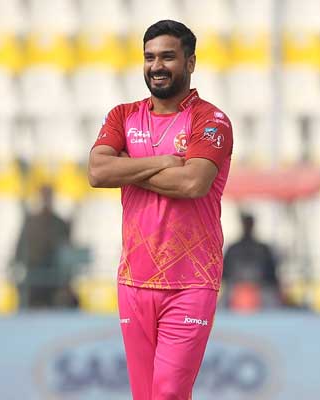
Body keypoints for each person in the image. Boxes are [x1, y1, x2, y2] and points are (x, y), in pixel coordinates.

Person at [87, 20, 233, 400]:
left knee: (168, 393)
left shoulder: (210, 120)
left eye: (168, 56)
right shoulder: (123, 115)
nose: (157, 66)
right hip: (134, 280)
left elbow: (192, 183)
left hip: (191, 281)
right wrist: (166, 161)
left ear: (191, 62)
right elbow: (98, 171)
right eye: (149, 57)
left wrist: (130, 168)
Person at [13, 185, 74, 308]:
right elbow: (19, 252)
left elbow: (67, 253)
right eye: (44, 196)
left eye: (48, 196)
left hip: (55, 279)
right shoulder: (30, 223)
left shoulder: (60, 223)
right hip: (33, 278)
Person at [223, 213, 282, 310]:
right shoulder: (234, 248)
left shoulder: (263, 249)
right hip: (235, 291)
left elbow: (272, 275)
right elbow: (224, 274)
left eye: (248, 223)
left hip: (261, 292)